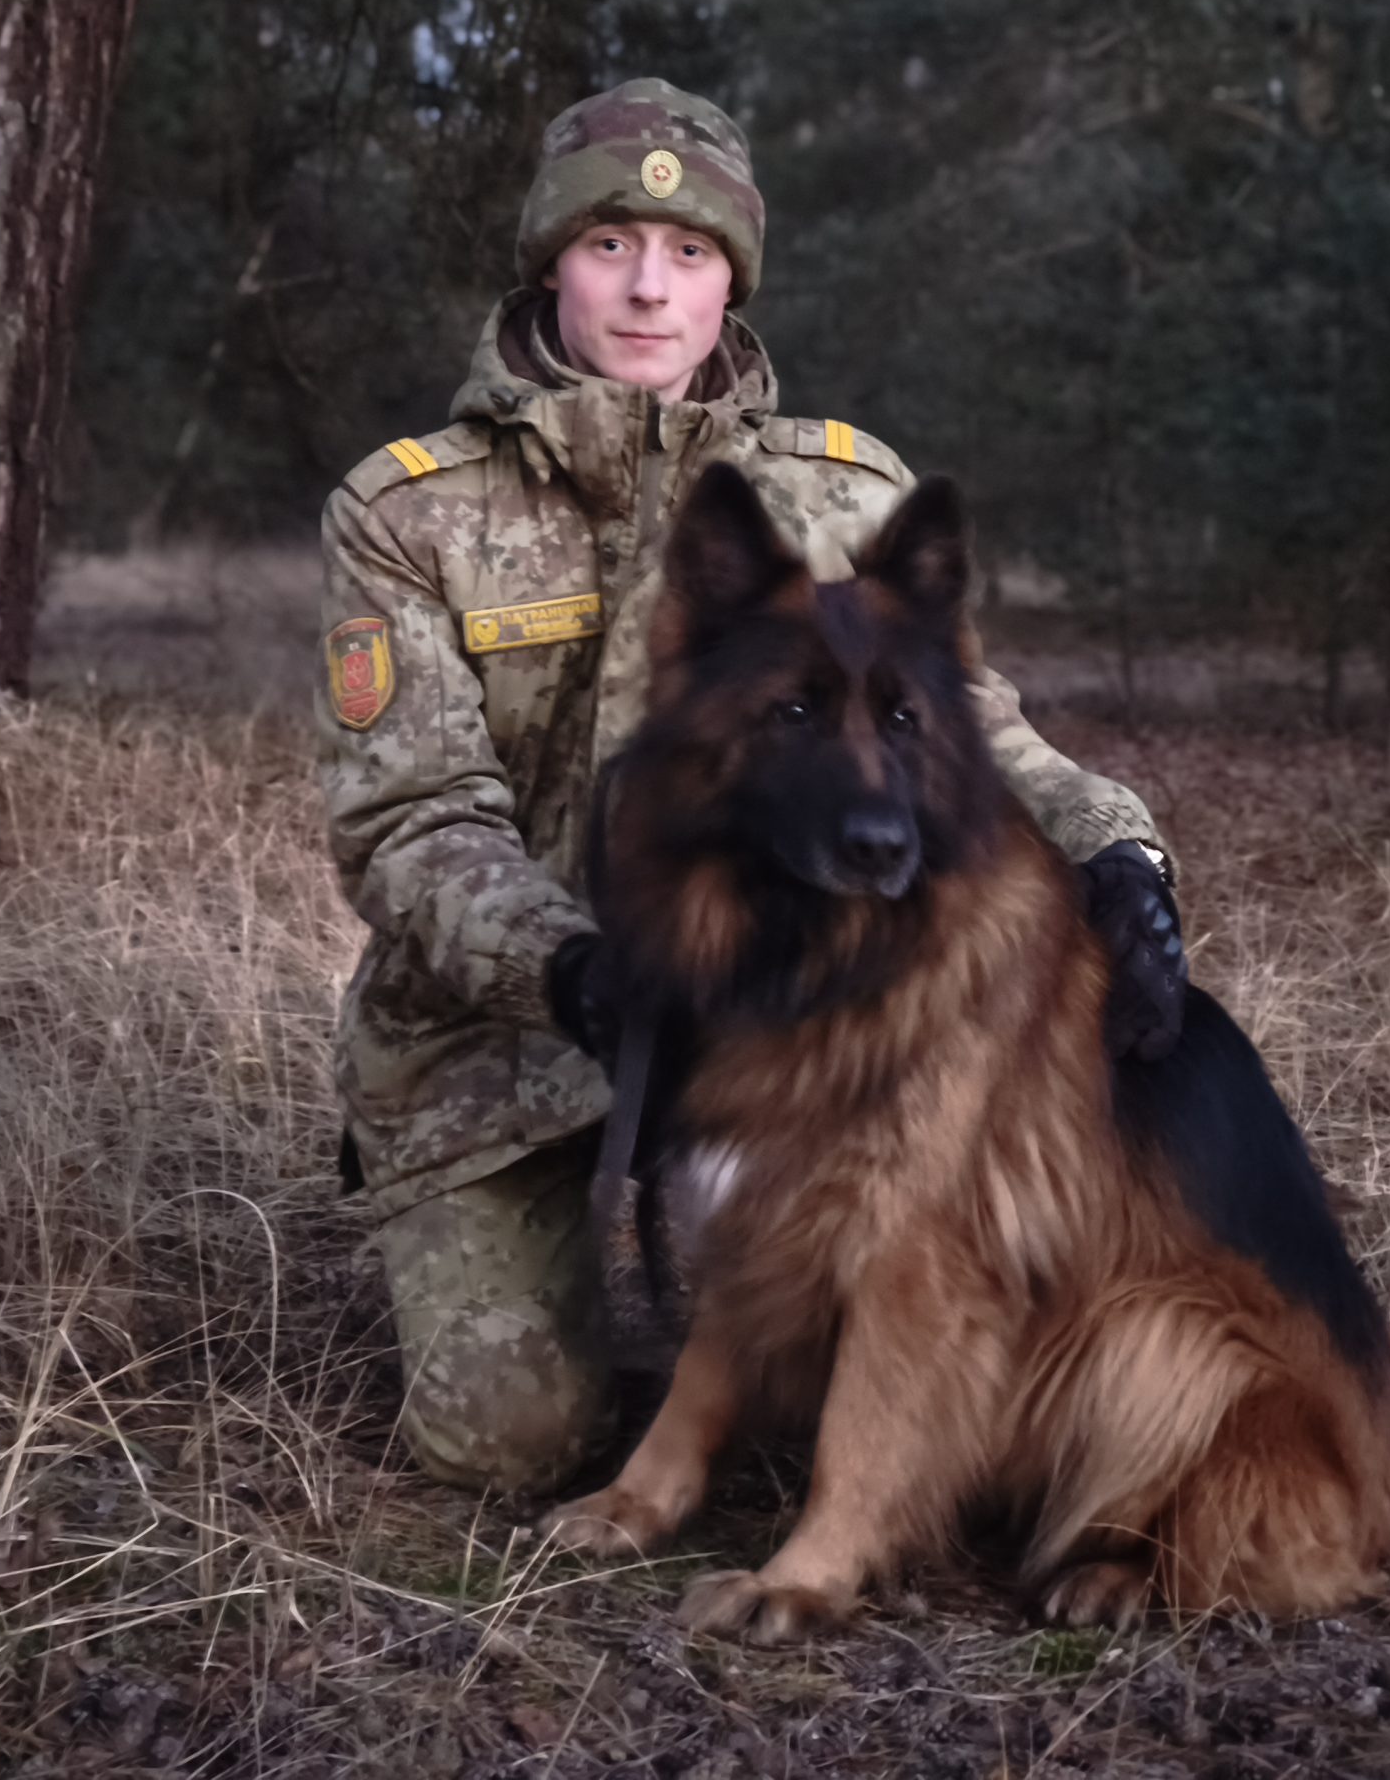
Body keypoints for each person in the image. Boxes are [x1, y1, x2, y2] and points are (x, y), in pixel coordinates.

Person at [316, 78, 1186, 1495]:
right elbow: (407, 817)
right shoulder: (409, 510)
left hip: (799, 1027)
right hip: (520, 1043)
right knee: (513, 1441)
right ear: (554, 260)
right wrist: (571, 970)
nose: (650, 289)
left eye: (693, 253)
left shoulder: (848, 495)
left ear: (733, 279)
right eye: (611, 246)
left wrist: (1124, 857)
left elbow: (982, 740)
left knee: (949, 1346)